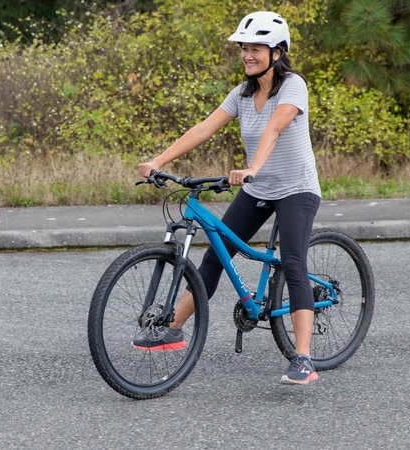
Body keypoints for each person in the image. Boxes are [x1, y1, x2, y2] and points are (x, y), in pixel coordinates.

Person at [133, 11, 322, 385]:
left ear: (277, 52)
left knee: (294, 264)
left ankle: (303, 358)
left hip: (296, 189)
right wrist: (159, 160)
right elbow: (204, 127)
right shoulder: (242, 93)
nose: (247, 55)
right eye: (244, 49)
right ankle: (173, 328)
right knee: (214, 255)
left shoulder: (293, 86)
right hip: (258, 189)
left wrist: (251, 167)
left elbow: (276, 126)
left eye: (255, 48)